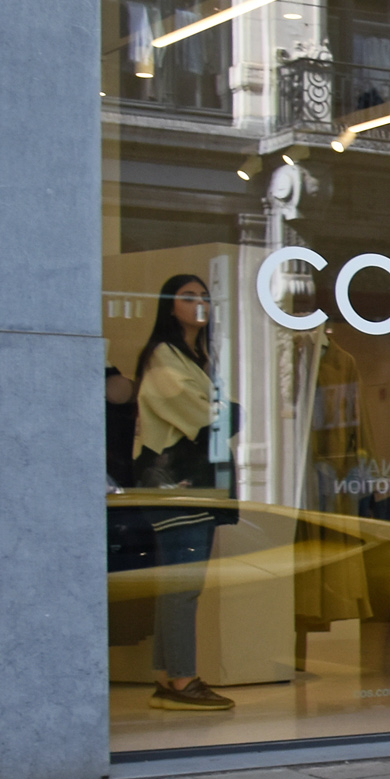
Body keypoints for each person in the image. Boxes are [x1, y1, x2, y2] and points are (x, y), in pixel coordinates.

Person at [130, 274, 234, 712]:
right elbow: (208, 415)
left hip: (195, 485)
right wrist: (234, 410)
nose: (199, 303)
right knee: (182, 585)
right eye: (188, 297)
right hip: (175, 485)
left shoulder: (197, 357)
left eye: (204, 297)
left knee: (178, 584)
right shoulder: (162, 357)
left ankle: (171, 676)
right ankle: (181, 679)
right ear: (168, 305)